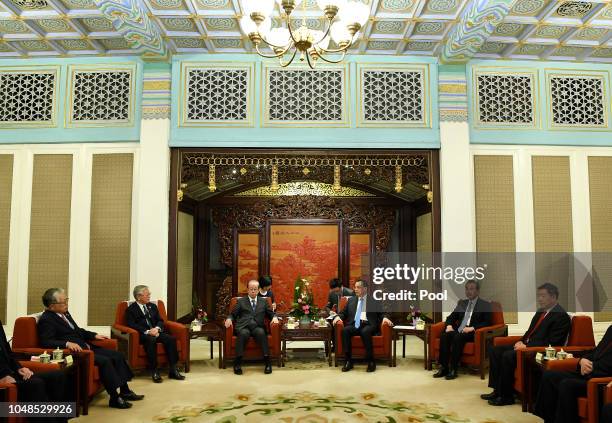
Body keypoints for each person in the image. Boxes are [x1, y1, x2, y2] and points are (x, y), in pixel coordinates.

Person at [37, 288, 144, 409]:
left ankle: (125, 391)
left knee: (117, 355)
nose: (67, 304)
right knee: (105, 361)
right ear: (52, 306)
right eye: (63, 302)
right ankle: (114, 398)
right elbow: (46, 341)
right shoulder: (47, 319)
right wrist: (67, 343)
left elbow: (77, 331)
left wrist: (94, 335)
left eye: (67, 300)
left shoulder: (65, 313)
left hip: (86, 347)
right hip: (77, 353)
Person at [482, 283, 571, 406]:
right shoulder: (541, 311)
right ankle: (497, 390)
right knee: (495, 350)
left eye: (543, 296)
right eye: (538, 296)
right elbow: (531, 331)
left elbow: (553, 342)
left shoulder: (561, 316)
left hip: (538, 351)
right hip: (527, 346)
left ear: (554, 297)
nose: (539, 299)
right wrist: (521, 341)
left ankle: (507, 396)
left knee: (508, 355)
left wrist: (527, 347)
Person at [533, 324, 611, 423]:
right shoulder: (611, 329)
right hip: (587, 373)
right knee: (550, 375)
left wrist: (592, 367)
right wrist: (581, 360)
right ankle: (549, 419)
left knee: (566, 384)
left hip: (601, 380)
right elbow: (595, 351)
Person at [0, 320, 68, 423]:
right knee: (36, 384)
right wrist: (2, 376)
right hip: (3, 382)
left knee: (58, 376)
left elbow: (8, 352)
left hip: (11, 373)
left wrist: (19, 367)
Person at [125, 285, 185, 383]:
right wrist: (148, 331)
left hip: (156, 332)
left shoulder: (152, 306)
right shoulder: (131, 309)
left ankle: (173, 369)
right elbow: (131, 324)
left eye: (149, 294)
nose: (149, 296)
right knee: (151, 340)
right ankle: (154, 370)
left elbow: (160, 320)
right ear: (139, 296)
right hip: (144, 335)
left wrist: (157, 328)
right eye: (147, 294)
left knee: (171, 339)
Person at [434, 280, 492, 380]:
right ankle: (444, 367)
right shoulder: (462, 303)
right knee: (444, 335)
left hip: (472, 333)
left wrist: (472, 328)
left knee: (458, 336)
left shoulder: (485, 305)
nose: (468, 291)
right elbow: (451, 317)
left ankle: (453, 369)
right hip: (459, 330)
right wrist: (448, 325)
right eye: (467, 289)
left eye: (471, 289)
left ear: (477, 291)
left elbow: (487, 322)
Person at [332, 279, 393, 373]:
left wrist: (385, 318)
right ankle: (348, 361)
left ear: (365, 289)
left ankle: (371, 361)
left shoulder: (373, 300)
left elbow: (382, 313)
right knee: (345, 331)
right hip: (355, 324)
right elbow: (343, 313)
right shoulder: (351, 300)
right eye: (355, 287)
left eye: (358, 287)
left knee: (365, 332)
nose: (355, 289)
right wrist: (338, 317)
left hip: (368, 324)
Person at [225, 280, 279, 375]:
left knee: (261, 333)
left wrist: (274, 317)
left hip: (257, 326)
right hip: (244, 326)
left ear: (258, 290)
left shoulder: (264, 301)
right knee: (243, 334)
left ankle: (267, 362)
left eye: (255, 289)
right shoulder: (240, 301)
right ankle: (237, 363)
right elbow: (233, 314)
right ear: (248, 290)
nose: (253, 291)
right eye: (251, 289)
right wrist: (229, 319)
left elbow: (271, 313)